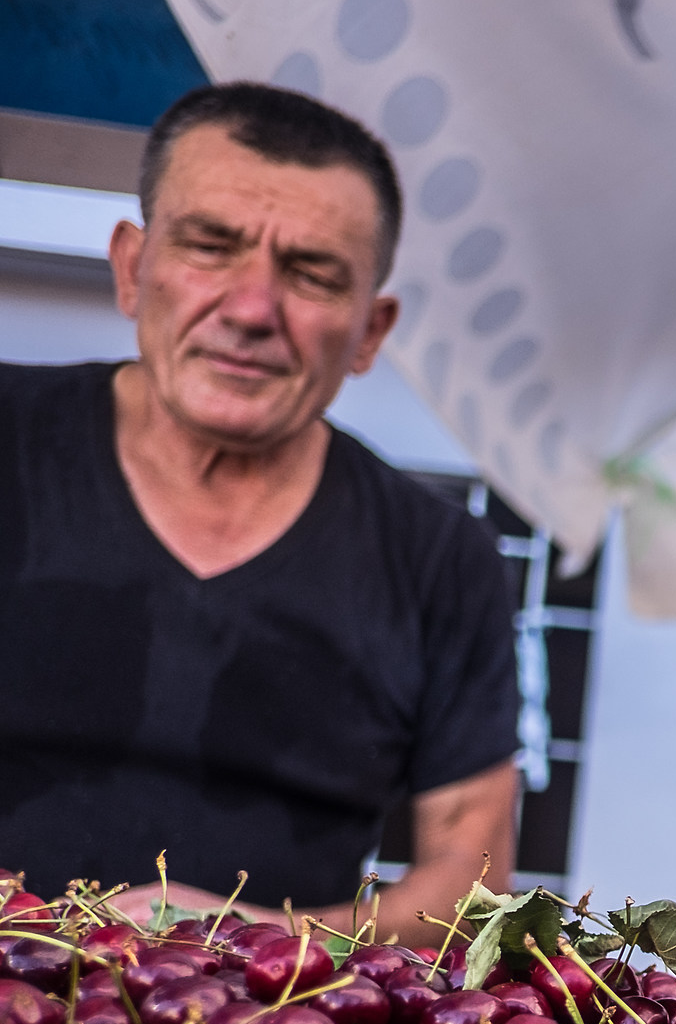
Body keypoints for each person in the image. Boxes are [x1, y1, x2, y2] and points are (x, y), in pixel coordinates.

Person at [0, 83, 519, 935]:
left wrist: (258, 941)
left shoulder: (443, 558)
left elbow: (476, 883)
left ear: (370, 334)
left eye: (312, 273)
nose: (250, 310)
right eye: (210, 246)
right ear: (132, 267)